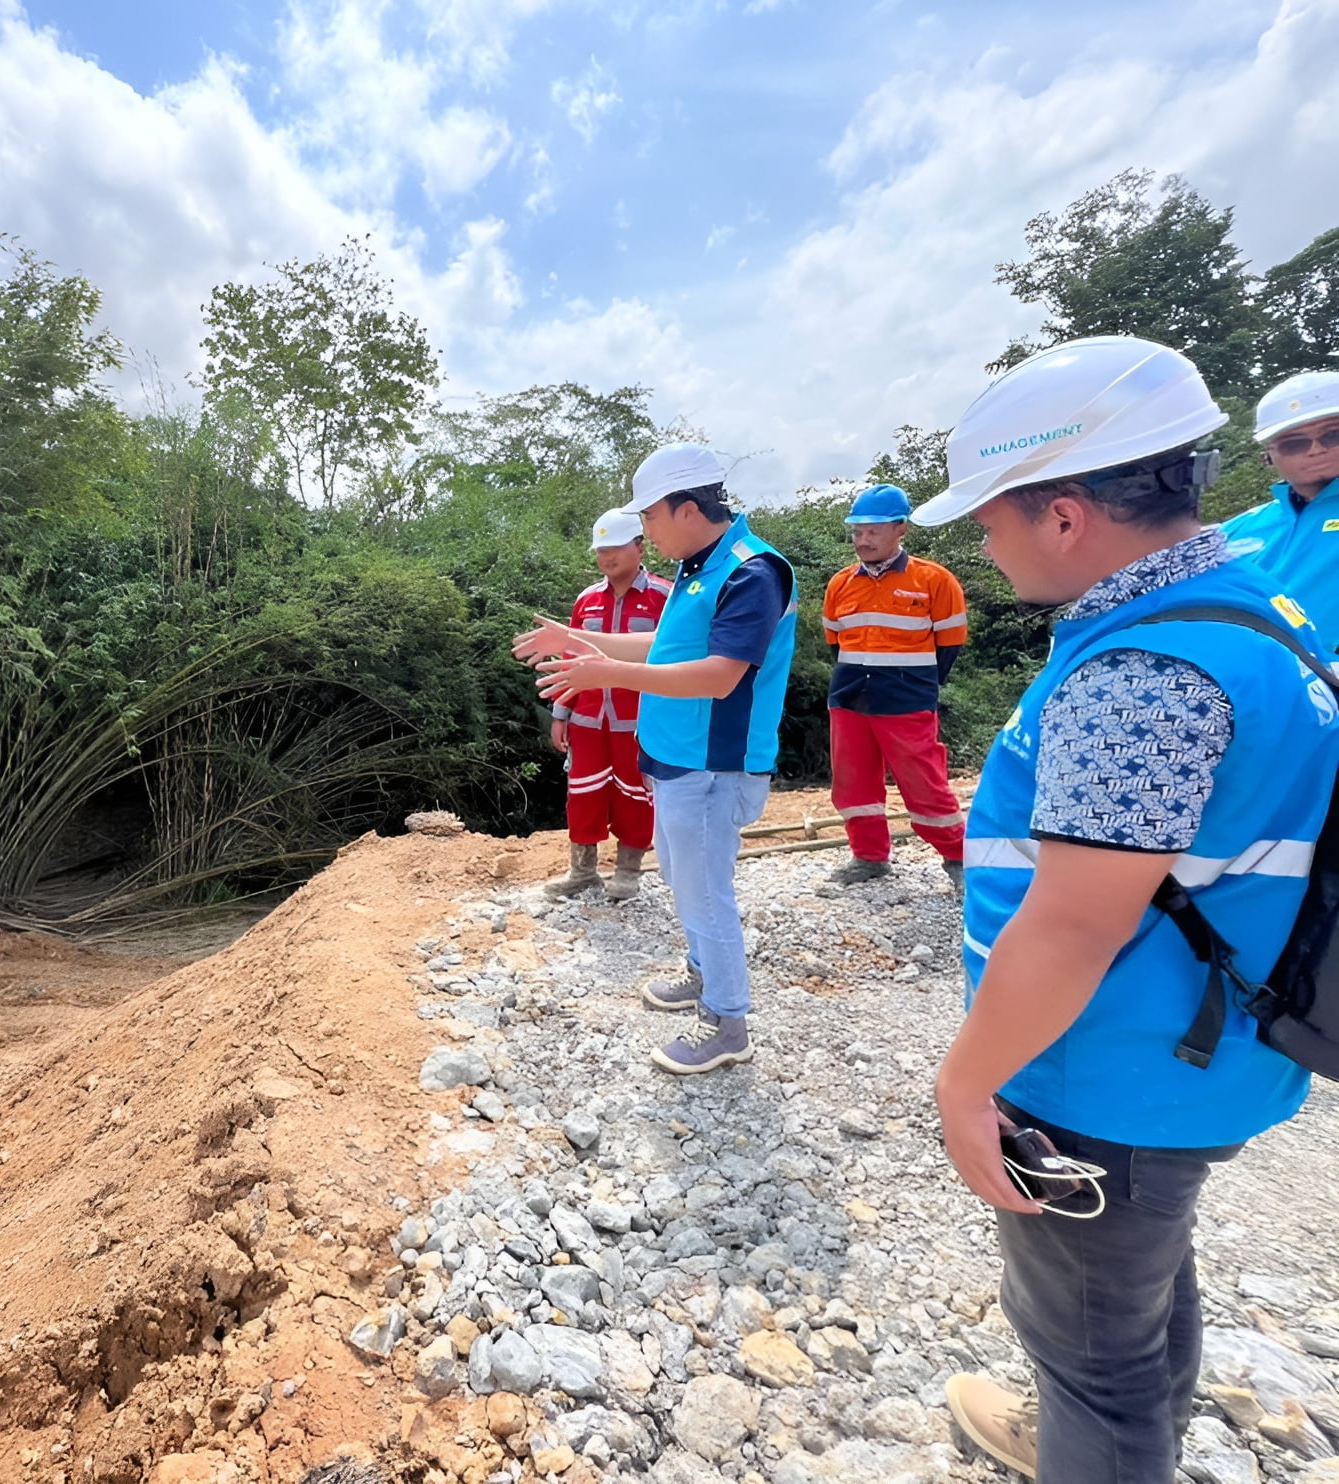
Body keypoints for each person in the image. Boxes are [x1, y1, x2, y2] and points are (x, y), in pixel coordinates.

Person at [915, 335, 1339, 1482]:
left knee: (1090, 1356)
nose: (983, 546)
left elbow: (1073, 924)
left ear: (1062, 515)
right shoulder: (1243, 611)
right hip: (1189, 1054)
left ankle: (1093, 1446)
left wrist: (962, 1082)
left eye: (989, 519)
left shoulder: (1140, 678)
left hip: (1107, 1072)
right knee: (1133, 1297)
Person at [514, 444, 797, 1074]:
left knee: (705, 895)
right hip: (677, 758)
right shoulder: (704, 567)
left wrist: (604, 670)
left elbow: (721, 676)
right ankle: (703, 975)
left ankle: (728, 1024)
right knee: (684, 881)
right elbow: (663, 646)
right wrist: (578, 638)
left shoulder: (753, 573)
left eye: (651, 518)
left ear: (688, 509)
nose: (645, 531)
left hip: (715, 763)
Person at [820, 483, 970, 887]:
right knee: (852, 782)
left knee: (924, 782)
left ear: (900, 529)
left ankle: (959, 859)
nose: (862, 540)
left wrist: (913, 684)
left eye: (873, 531)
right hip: (850, 695)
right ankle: (869, 857)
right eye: (857, 531)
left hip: (907, 697)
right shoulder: (840, 584)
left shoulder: (934, 581)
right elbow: (836, 643)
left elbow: (949, 647)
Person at [546, 509, 676, 900]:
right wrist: (560, 713)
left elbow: (677, 660)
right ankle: (582, 872)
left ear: (639, 546)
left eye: (615, 547)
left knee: (636, 793)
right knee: (582, 792)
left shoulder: (665, 597)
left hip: (640, 720)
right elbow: (569, 659)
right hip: (587, 718)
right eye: (601, 550)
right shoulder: (586, 600)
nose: (607, 557)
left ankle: (628, 872)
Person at [1220, 371, 1339, 648]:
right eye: (1294, 444)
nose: (1315, 450)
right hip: (1255, 685)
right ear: (1269, 456)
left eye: (1333, 435)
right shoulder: (1234, 531)